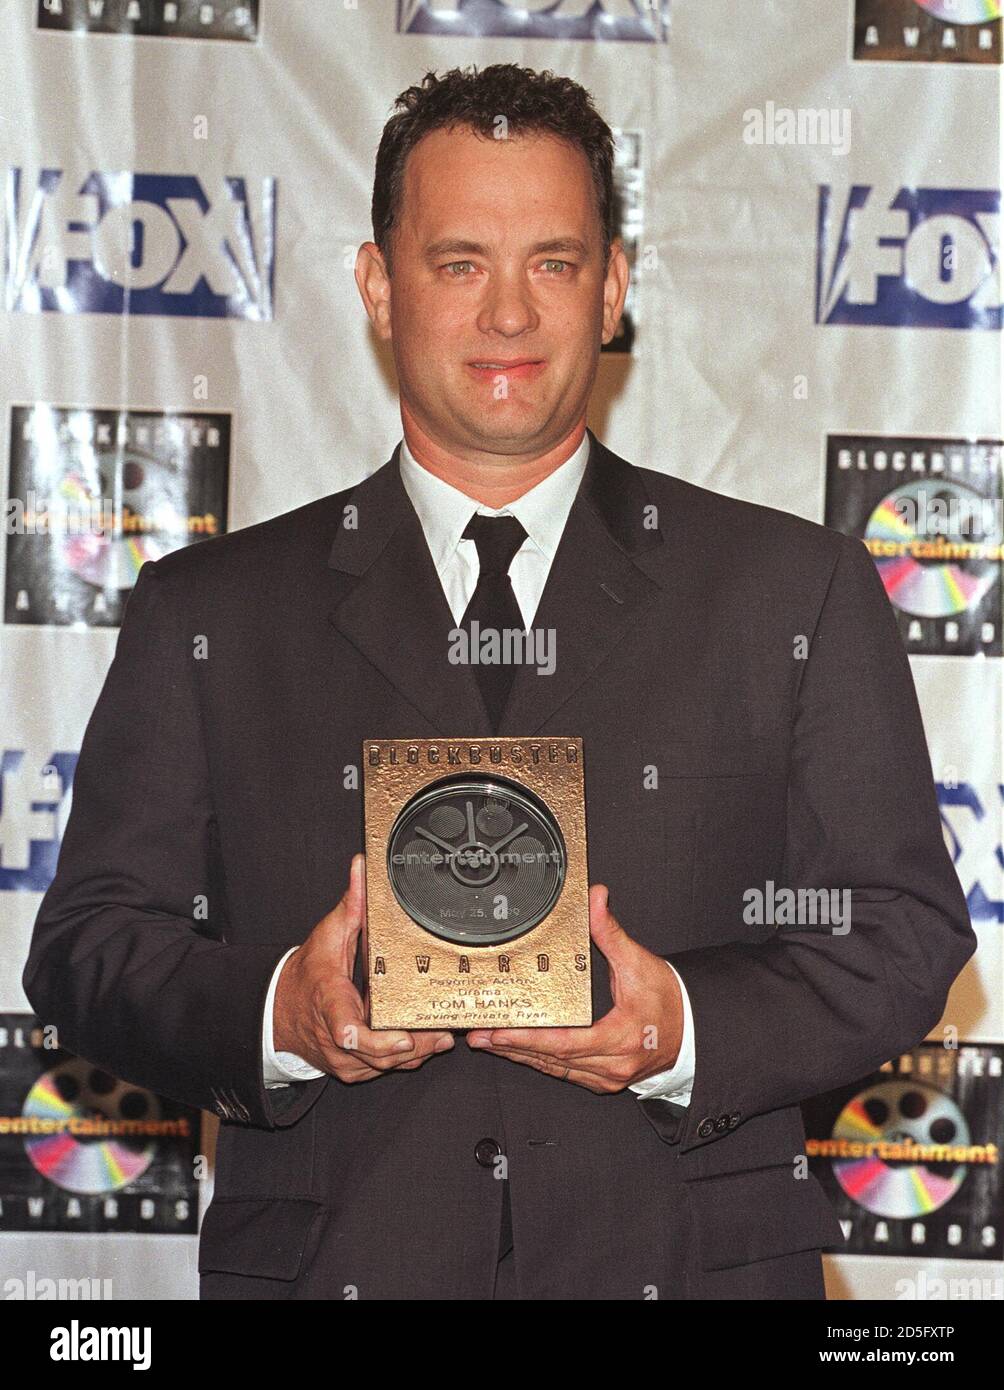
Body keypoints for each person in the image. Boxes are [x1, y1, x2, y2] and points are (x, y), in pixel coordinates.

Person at [24, 64, 976, 1301]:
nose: (509, 315)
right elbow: (91, 947)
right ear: (378, 284)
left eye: (554, 263)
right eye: (460, 262)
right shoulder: (209, 614)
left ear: (612, 289)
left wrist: (681, 1026)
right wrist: (281, 1012)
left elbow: (899, 933)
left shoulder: (791, 593)